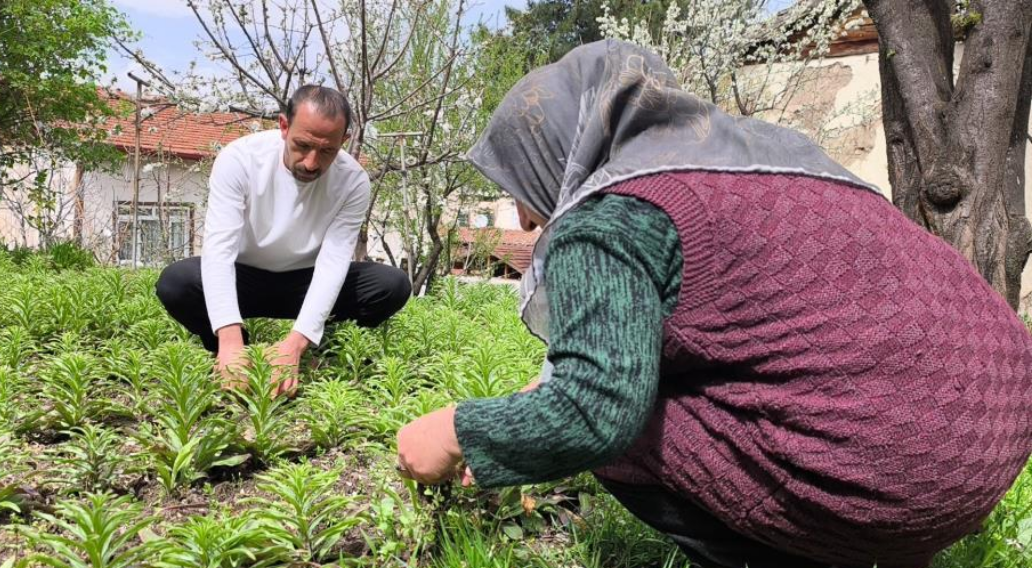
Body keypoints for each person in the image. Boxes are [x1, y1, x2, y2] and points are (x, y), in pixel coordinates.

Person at [395, 40, 1032, 568]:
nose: (527, 219)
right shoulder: (763, 162)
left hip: (902, 476)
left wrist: (458, 433)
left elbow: (594, 410)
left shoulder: (610, 217)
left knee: (623, 431)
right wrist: (523, 427)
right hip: (994, 440)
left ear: (554, 156)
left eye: (518, 185)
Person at [156, 85, 411, 394]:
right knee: (176, 282)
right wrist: (229, 339)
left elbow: (333, 262)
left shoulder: (353, 180)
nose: (312, 162)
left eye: (327, 150)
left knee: (391, 285)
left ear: (343, 141)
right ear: (283, 126)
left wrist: (296, 342)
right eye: (302, 145)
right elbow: (219, 251)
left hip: (305, 281)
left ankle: (311, 342)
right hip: (245, 277)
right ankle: (236, 352)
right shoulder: (240, 159)